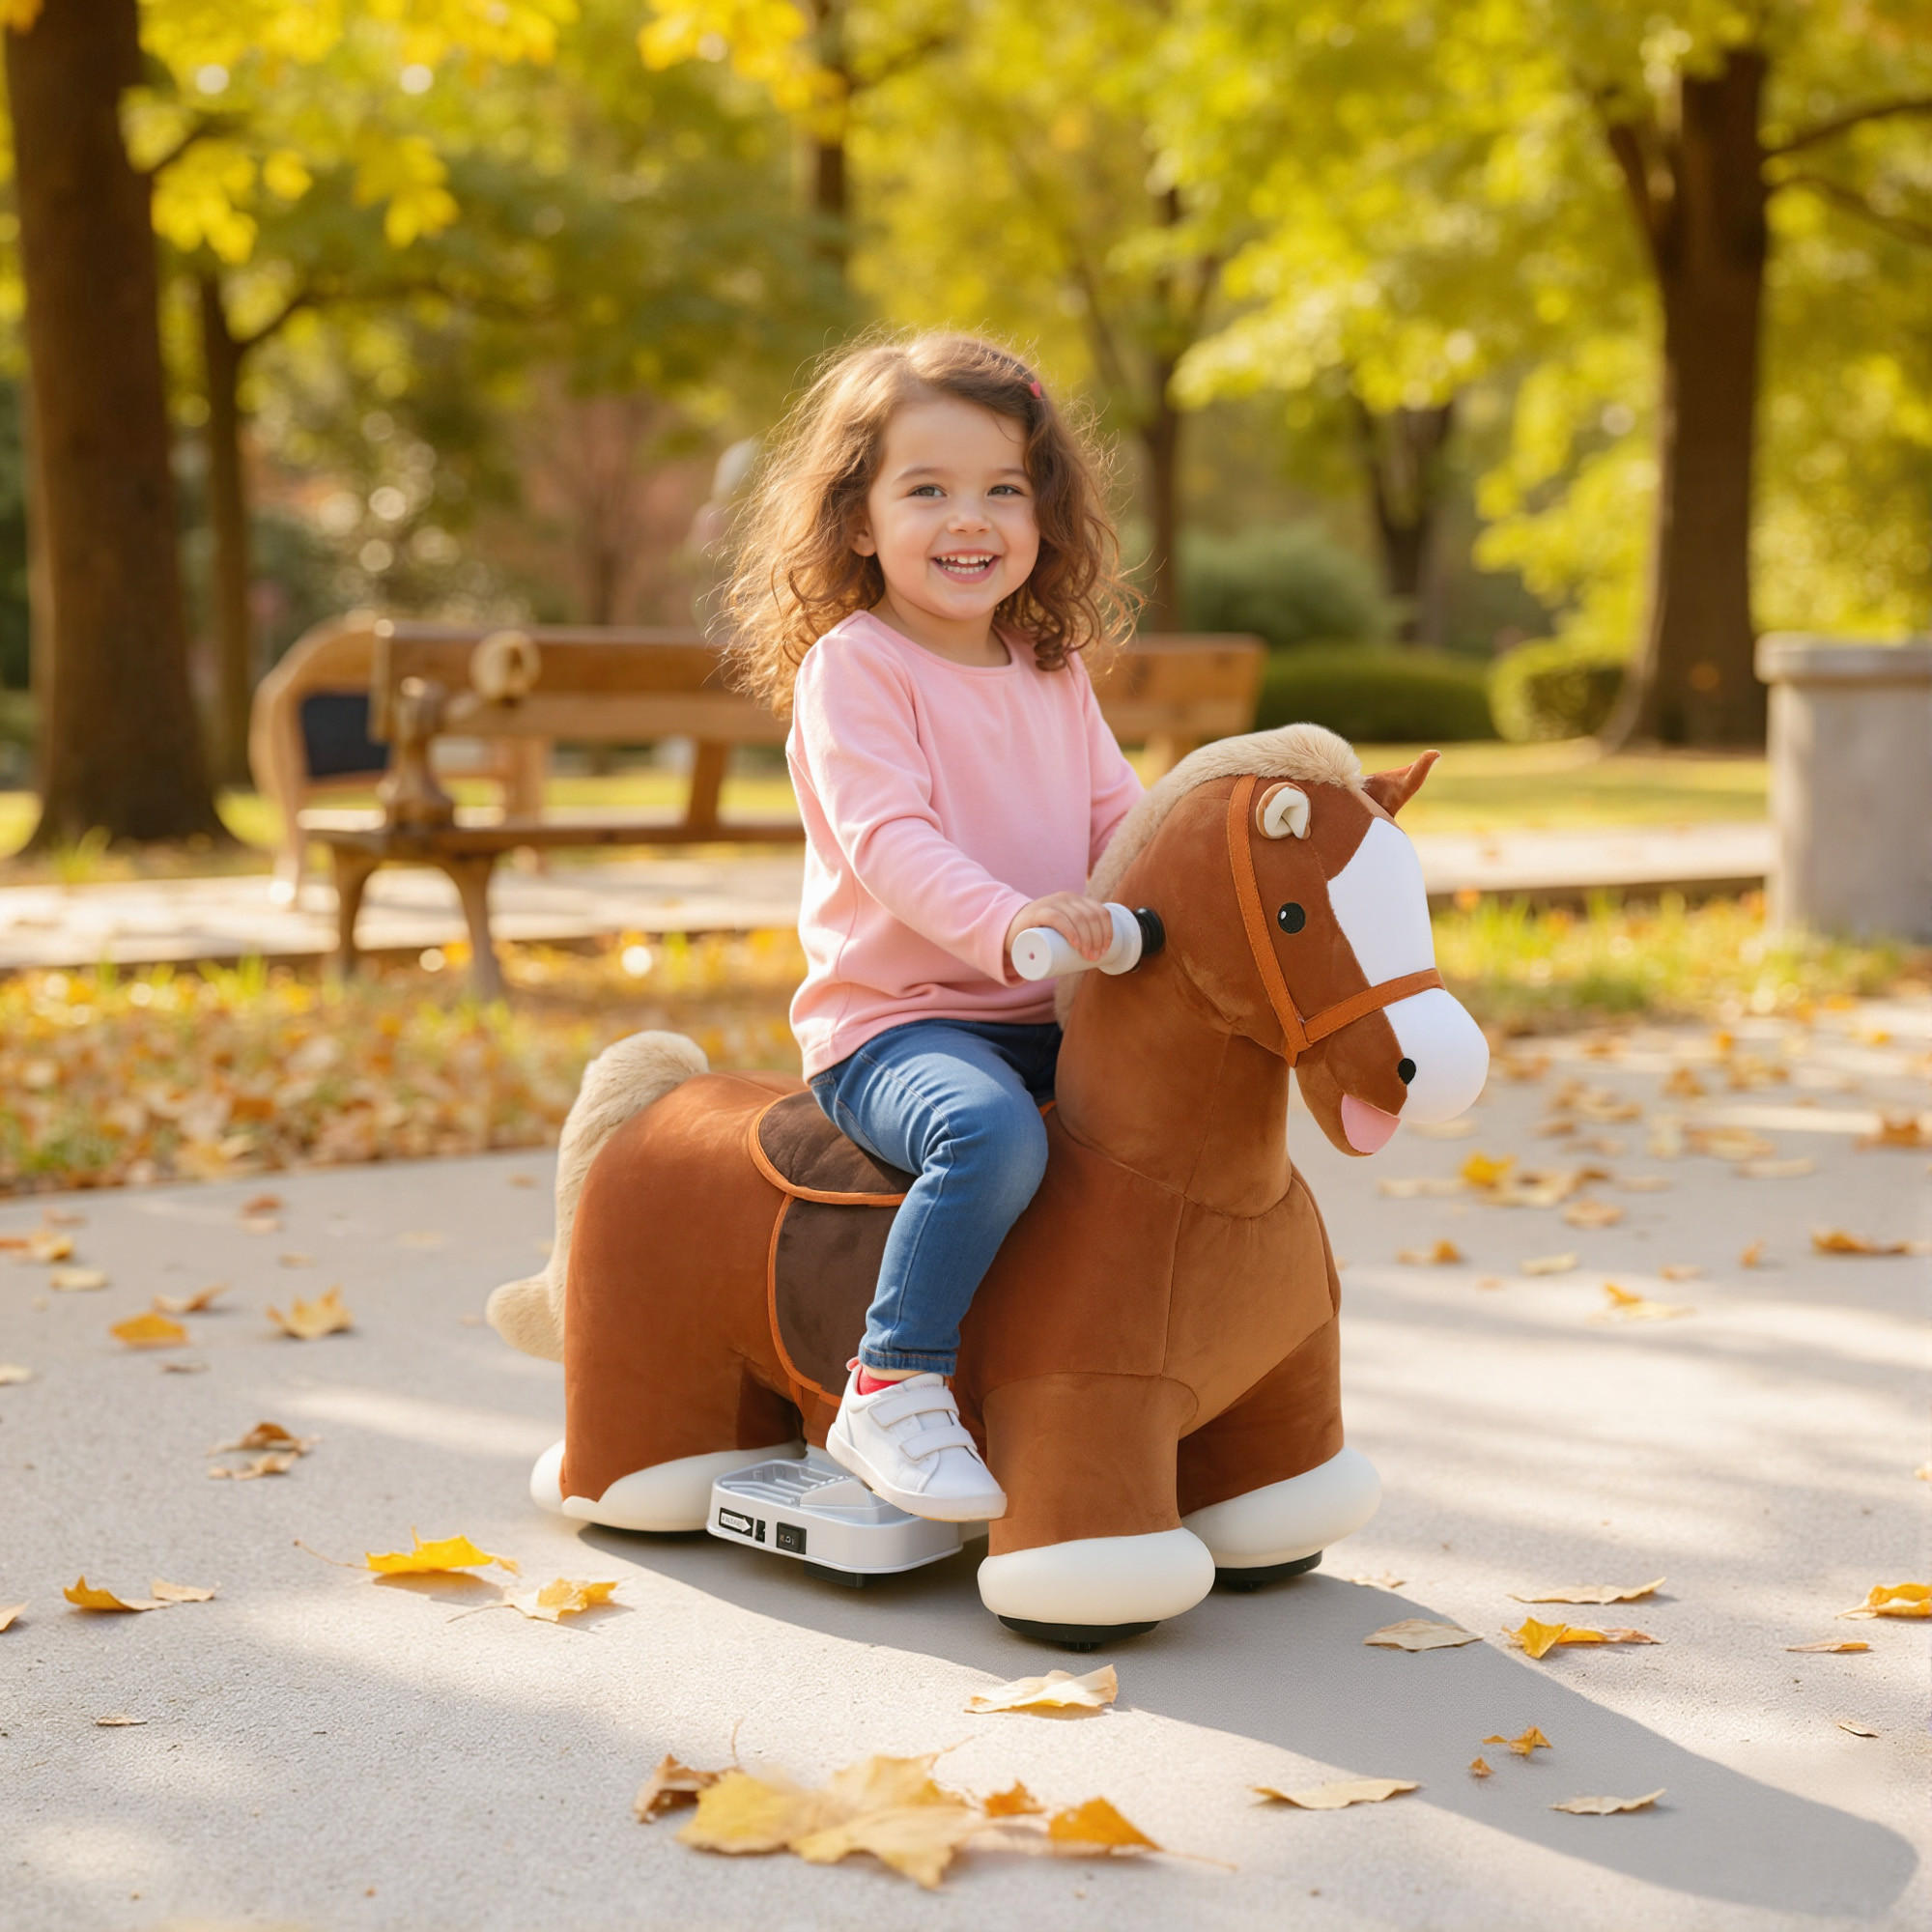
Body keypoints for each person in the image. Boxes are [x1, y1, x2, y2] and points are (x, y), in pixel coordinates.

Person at [721, 333, 1146, 1522]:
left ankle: (1145, 1372)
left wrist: (1169, 901)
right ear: (856, 520)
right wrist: (1015, 923)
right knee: (991, 1137)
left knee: (1181, 1110)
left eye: (1002, 487)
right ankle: (893, 1379)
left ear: (1043, 511)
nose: (971, 518)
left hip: (1044, 1003)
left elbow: (1125, 815)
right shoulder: (856, 670)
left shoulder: (1047, 667)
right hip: (897, 1029)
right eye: (927, 489)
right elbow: (889, 844)